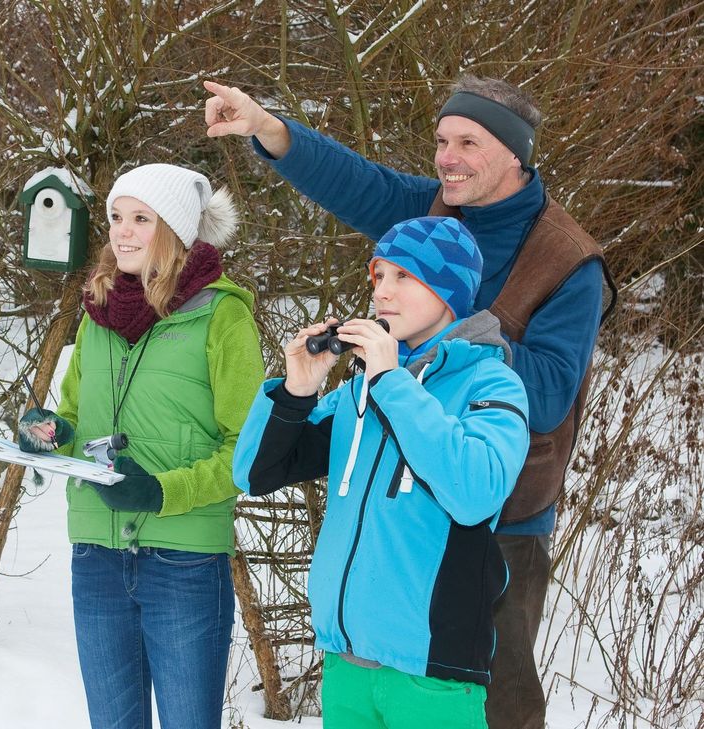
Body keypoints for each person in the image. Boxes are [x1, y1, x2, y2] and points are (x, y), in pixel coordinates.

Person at [205, 75, 616, 728]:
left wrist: (441, 346)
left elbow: (549, 393)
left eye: (466, 142)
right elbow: (354, 181)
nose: (445, 157)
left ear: (515, 154)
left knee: (497, 701)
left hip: (502, 520)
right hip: (393, 534)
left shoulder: (569, 262)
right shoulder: (431, 212)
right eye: (441, 140)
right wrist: (268, 128)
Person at [233, 215, 530, 728]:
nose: (383, 293)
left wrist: (392, 381)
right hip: (346, 665)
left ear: (448, 290)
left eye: (404, 277)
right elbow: (256, 474)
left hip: (432, 675)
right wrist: (297, 389)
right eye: (378, 277)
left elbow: (476, 491)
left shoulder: (492, 384)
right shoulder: (359, 393)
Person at [17, 163, 265, 729]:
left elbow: (246, 450)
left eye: (140, 220)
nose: (122, 232)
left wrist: (161, 493)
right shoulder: (96, 314)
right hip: (96, 553)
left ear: (175, 230)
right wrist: (52, 431)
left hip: (183, 559)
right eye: (116, 218)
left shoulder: (221, 315)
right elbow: (76, 416)